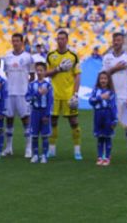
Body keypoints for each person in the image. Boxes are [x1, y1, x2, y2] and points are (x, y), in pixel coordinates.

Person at [45, 30, 82, 160]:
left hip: (68, 94)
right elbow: (45, 73)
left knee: (73, 121)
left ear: (67, 40)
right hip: (54, 94)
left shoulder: (73, 56)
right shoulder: (50, 55)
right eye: (58, 39)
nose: (60, 41)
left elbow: (77, 76)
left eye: (62, 39)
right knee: (53, 121)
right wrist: (58, 69)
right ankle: (52, 149)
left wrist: (75, 94)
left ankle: (77, 150)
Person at [102, 33, 127, 163]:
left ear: (123, 42)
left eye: (119, 40)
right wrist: (115, 68)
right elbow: (103, 75)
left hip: (124, 96)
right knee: (109, 126)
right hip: (110, 97)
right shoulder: (107, 58)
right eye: (114, 40)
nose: (116, 42)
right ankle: (106, 154)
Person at [2, 33, 35, 158]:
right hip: (10, 92)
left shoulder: (28, 57)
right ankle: (9, 147)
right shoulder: (7, 57)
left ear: (22, 42)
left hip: (23, 93)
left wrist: (24, 86)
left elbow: (32, 76)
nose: (15, 43)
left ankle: (28, 148)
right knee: (9, 119)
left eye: (17, 41)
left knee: (25, 119)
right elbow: (6, 74)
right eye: (13, 40)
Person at [26, 62, 53, 164]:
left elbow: (50, 101)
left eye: (41, 70)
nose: (39, 72)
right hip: (35, 112)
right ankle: (35, 155)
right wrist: (38, 93)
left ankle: (45, 155)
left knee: (45, 135)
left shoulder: (48, 86)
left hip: (44, 112)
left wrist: (47, 114)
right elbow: (27, 98)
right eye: (37, 70)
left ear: (45, 72)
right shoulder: (32, 85)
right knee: (34, 135)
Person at [89, 71, 117, 166]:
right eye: (101, 78)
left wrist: (114, 119)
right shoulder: (96, 90)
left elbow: (113, 106)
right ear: (98, 80)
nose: (103, 80)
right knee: (100, 137)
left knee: (107, 137)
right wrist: (100, 97)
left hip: (108, 115)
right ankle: (100, 157)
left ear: (108, 80)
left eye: (105, 78)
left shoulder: (111, 92)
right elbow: (91, 101)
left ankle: (107, 157)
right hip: (98, 115)